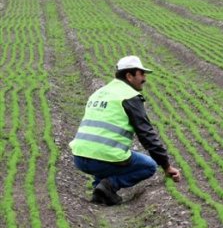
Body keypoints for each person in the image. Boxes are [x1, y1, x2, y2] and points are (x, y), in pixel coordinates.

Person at [69, 56, 182, 206]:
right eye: (141, 74)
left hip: (79, 158)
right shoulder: (129, 96)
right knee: (149, 166)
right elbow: (146, 135)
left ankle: (99, 190)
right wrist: (166, 166)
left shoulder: (99, 93)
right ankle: (109, 186)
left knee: (104, 151)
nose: (144, 78)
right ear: (129, 76)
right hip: (102, 159)